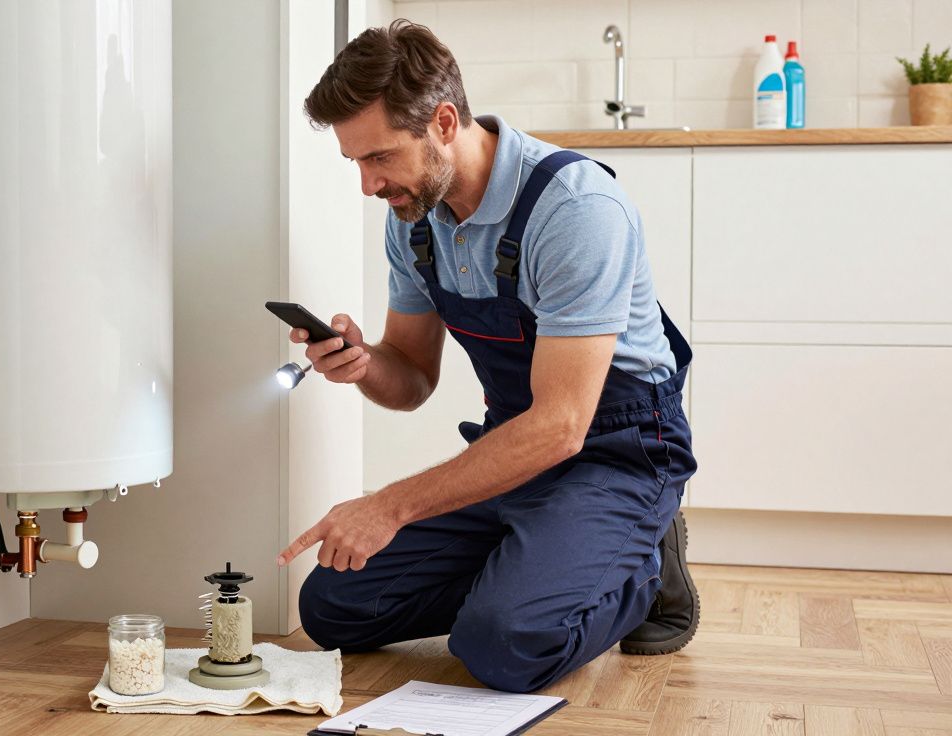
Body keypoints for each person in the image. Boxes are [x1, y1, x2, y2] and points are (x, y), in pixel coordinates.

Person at [274, 20, 699, 693]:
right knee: (333, 605)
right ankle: (541, 566)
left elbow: (563, 426)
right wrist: (363, 364)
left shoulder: (576, 210)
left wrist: (388, 506)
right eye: (356, 162)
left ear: (444, 122)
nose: (367, 185)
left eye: (379, 157)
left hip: (618, 453)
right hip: (513, 451)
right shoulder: (414, 222)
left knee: (502, 646)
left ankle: (642, 566)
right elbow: (411, 379)